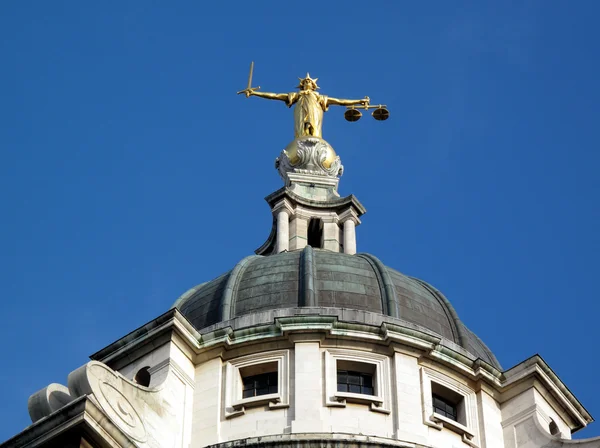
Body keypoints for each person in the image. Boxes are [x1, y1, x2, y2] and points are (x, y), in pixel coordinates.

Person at [240, 74, 370, 138]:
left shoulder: (318, 96)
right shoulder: (297, 95)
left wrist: (358, 101)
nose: (307, 82)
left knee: (314, 130)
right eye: (305, 81)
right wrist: (255, 93)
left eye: (309, 81)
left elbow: (339, 101)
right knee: (302, 130)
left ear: (314, 85)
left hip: (315, 110)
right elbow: (275, 95)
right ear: (302, 85)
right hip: (301, 110)